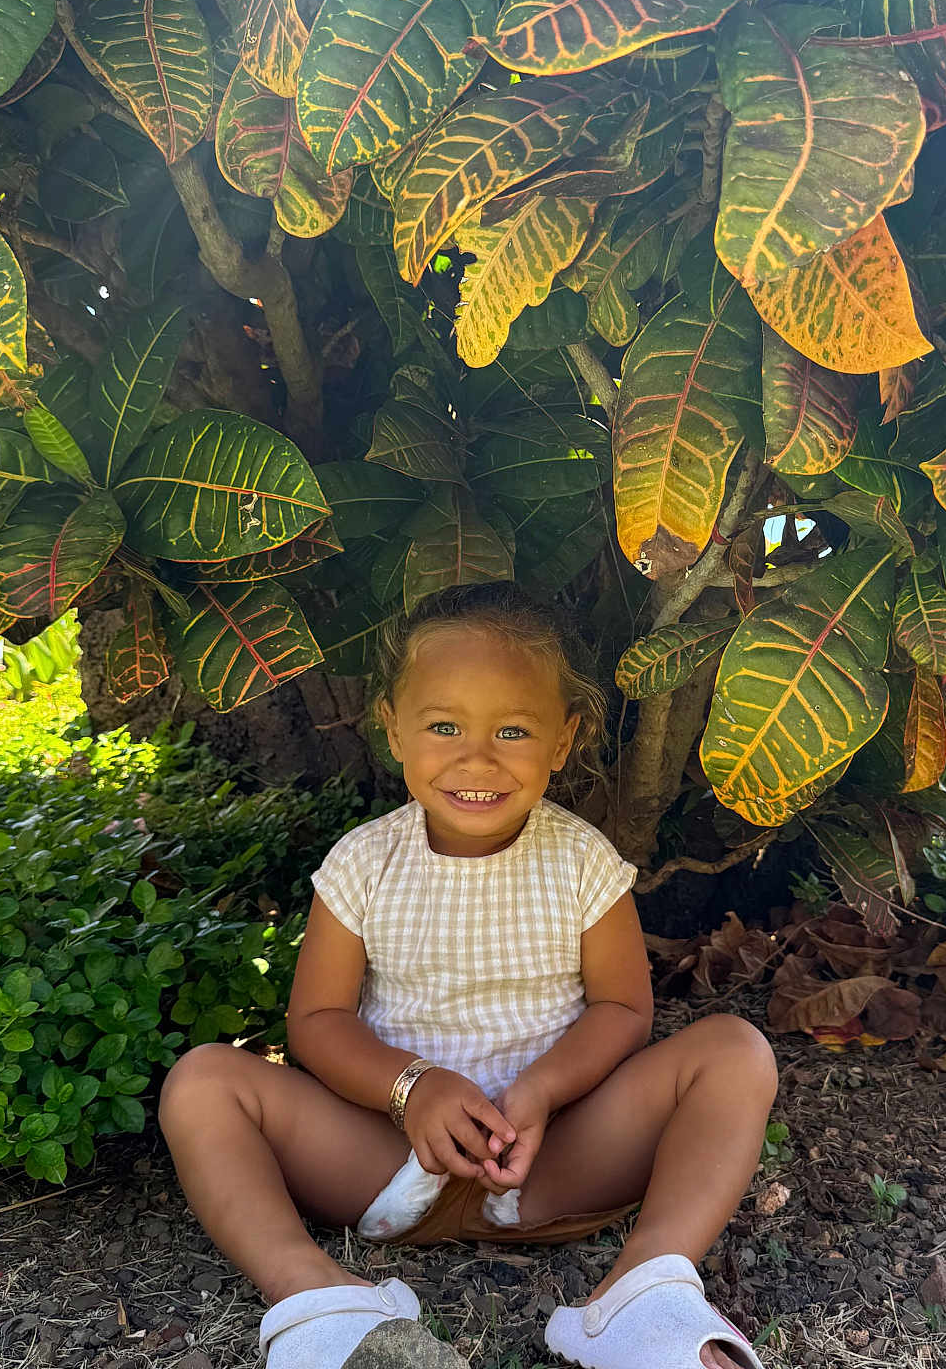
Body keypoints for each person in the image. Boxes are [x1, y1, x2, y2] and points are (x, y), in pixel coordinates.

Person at [158, 582, 780, 1369]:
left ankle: (641, 1292)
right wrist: (411, 1088)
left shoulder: (583, 862)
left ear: (563, 739)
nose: (476, 758)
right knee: (203, 1083)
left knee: (734, 1053)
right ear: (393, 727)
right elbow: (315, 1023)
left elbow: (624, 1009)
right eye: (443, 725)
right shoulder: (362, 864)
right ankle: (317, 1298)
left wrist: (543, 1091)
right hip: (384, 1158)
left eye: (513, 730)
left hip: (551, 1158)